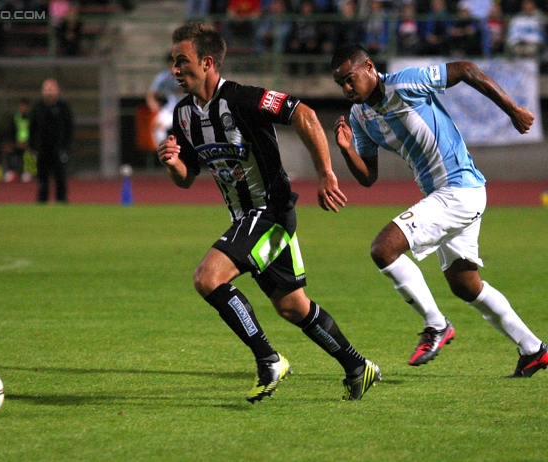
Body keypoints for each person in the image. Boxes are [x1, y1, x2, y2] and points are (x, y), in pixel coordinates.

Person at [157, 21, 381, 402]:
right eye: (173, 61)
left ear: (208, 62)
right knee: (293, 307)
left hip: (269, 212)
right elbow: (187, 177)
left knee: (207, 278)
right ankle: (358, 366)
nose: (175, 69)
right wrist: (173, 163)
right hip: (245, 220)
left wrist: (325, 174)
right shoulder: (183, 115)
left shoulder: (243, 99)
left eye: (182, 61)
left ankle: (269, 360)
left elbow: (305, 114)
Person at [331, 44, 547, 377]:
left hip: (459, 190)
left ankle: (436, 325)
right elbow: (368, 177)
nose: (347, 89)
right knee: (465, 285)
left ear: (369, 67)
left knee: (383, 248)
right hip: (447, 195)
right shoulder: (360, 116)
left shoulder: (405, 83)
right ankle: (533, 349)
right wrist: (346, 151)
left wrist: (513, 109)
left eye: (350, 79)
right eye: (341, 84)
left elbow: (465, 69)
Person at [29, 78, 74, 203]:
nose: (49, 91)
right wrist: (33, 146)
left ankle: (61, 200)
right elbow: (32, 128)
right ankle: (42, 201)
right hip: (42, 149)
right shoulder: (37, 107)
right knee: (42, 178)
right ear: (42, 91)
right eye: (47, 88)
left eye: (52, 88)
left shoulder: (63, 107)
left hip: (58, 149)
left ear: (57, 90)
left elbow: (69, 128)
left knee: (60, 178)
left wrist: (66, 147)